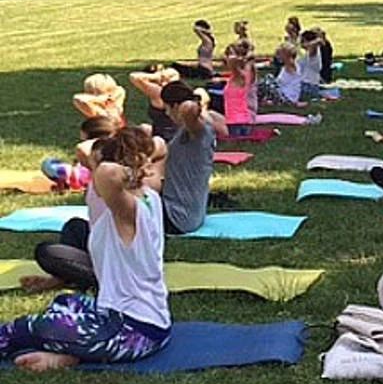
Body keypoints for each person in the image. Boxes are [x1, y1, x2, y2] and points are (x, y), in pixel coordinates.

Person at [2, 128, 173, 373]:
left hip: (134, 332)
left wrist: (131, 166)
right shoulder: (150, 193)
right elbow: (159, 145)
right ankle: (69, 355)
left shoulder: (129, 210)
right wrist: (137, 157)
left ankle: (62, 351)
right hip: (129, 320)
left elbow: (106, 173)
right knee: (67, 302)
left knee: (32, 328)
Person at [20, 119, 160, 294]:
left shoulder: (116, 192)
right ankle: (65, 278)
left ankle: (92, 279)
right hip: (111, 248)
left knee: (46, 252)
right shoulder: (144, 191)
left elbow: (84, 151)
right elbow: (159, 146)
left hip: (122, 267)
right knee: (75, 227)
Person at [159, 81, 227, 235]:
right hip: (187, 214)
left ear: (176, 106)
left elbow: (189, 111)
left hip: (177, 217)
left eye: (168, 109)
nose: (167, 114)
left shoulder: (199, 131)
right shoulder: (190, 130)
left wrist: (192, 104)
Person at [129, 65, 181, 141]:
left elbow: (133, 76)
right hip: (175, 133)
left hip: (164, 136)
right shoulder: (180, 90)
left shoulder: (158, 92)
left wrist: (156, 76)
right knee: (144, 127)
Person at [298, 30, 324, 101]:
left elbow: (316, 43)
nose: (301, 43)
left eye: (302, 41)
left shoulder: (313, 53)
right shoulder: (307, 54)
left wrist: (316, 40)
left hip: (308, 86)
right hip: (304, 84)